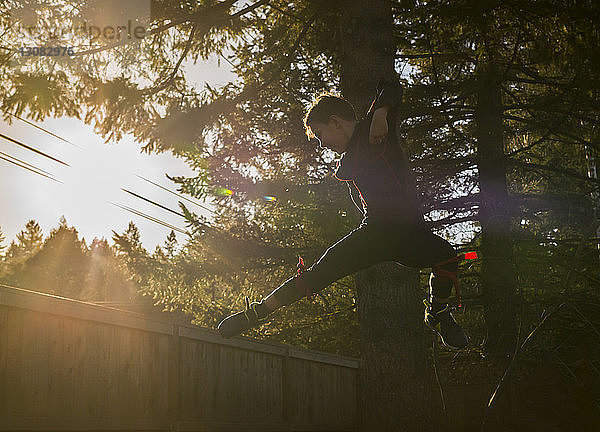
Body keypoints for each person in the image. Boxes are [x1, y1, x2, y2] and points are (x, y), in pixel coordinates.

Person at [217, 77, 470, 349]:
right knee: (315, 276)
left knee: (446, 256)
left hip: (409, 235)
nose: (322, 143)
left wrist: (382, 114)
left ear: (336, 122)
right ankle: (255, 314)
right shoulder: (349, 162)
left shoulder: (375, 130)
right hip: (374, 236)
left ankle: (439, 315)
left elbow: (390, 86)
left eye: (321, 133)